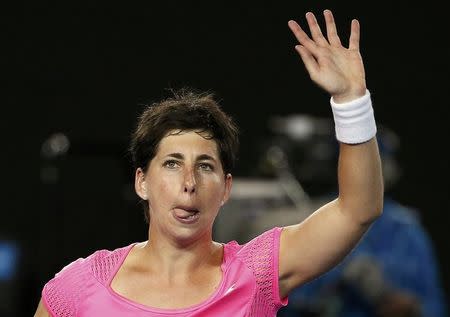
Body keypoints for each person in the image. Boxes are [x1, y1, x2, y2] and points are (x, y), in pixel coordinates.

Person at [34, 9, 384, 316]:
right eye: (172, 163)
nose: (189, 182)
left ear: (226, 187)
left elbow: (357, 209)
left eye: (205, 166)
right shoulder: (78, 286)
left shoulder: (257, 273)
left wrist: (350, 100)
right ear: (142, 181)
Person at [274, 123, 449, 317]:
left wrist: (405, 307)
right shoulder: (311, 220)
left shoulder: (407, 230)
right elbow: (282, 297)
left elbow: (432, 304)